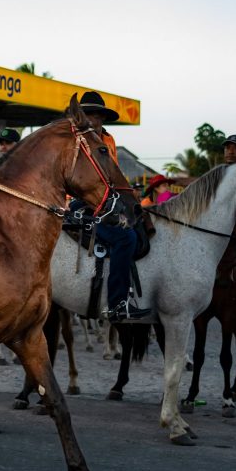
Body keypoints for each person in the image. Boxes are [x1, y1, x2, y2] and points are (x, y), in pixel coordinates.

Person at [78, 90, 151, 322]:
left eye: (96, 115)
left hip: (107, 200)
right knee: (125, 238)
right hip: (82, 200)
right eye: (87, 114)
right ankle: (118, 303)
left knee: (142, 227)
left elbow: (115, 175)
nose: (92, 119)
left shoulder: (108, 140)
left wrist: (129, 200)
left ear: (102, 118)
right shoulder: (76, 139)